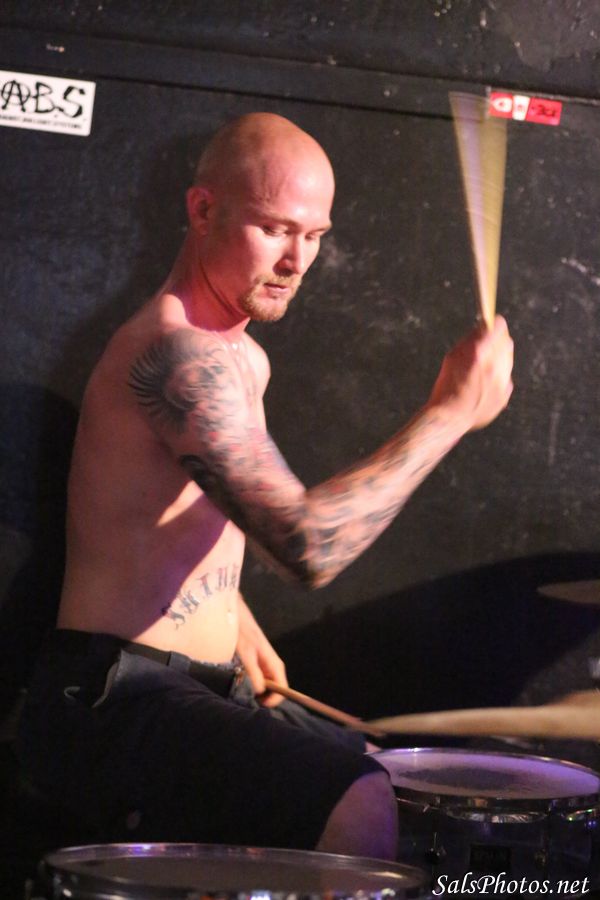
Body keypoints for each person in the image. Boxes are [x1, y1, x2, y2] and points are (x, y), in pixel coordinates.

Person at [17, 112, 513, 861]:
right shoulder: (180, 355)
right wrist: (450, 414)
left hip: (195, 684)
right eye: (275, 229)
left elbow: (174, 510)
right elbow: (308, 546)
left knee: (400, 781)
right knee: (360, 798)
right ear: (202, 210)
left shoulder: (241, 358)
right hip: (112, 700)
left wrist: (229, 614)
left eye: (314, 235)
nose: (296, 260)